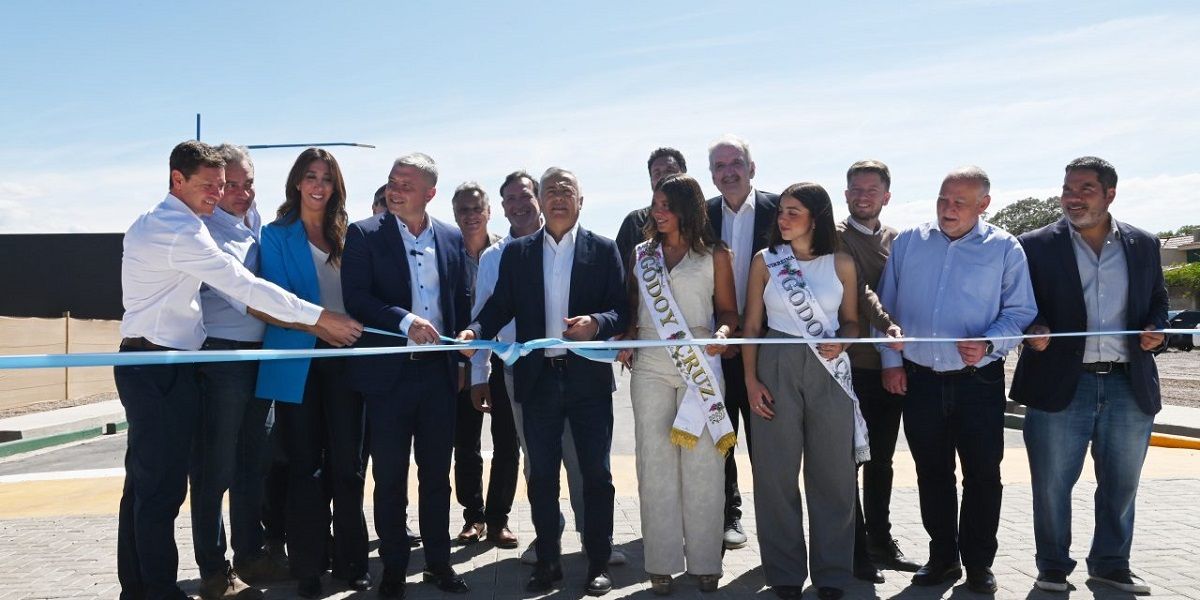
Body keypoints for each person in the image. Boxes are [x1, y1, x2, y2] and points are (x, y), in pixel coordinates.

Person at [114, 140, 361, 600]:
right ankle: (157, 588)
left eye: (227, 185)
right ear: (177, 181)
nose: (219, 193)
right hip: (158, 364)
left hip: (173, 362)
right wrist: (320, 318)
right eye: (211, 185)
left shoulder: (192, 222)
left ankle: (142, 586)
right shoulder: (181, 231)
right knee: (163, 488)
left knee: (152, 486)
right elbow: (244, 287)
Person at [459, 167, 630, 596]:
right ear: (542, 199)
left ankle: (596, 561)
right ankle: (549, 562)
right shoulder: (518, 254)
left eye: (565, 189)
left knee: (595, 474)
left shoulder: (604, 249)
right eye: (551, 189)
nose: (558, 196)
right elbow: (498, 307)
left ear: (580, 200)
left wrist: (596, 322)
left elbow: (621, 310)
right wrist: (474, 333)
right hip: (536, 382)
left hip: (587, 381)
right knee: (541, 478)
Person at [877, 166, 1037, 594]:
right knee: (932, 474)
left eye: (959, 202)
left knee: (983, 475)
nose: (948, 209)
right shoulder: (909, 242)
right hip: (919, 380)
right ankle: (942, 559)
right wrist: (890, 363)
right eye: (943, 199)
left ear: (984, 205)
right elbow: (884, 311)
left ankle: (979, 565)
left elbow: (1020, 312)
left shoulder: (1006, 248)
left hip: (978, 383)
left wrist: (990, 342)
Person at [1011, 157, 1168, 594]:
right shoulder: (1033, 245)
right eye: (1067, 188)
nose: (1072, 197)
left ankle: (1111, 565)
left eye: (1084, 188)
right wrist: (1032, 328)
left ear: (1109, 194)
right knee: (1052, 485)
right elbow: (1018, 304)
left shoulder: (1143, 243)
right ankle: (1053, 567)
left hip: (1128, 383)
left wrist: (1158, 333)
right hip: (1060, 382)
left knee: (1121, 484)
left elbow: (1157, 301)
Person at [341, 152, 473, 598]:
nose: (395, 189)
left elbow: (460, 300)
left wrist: (464, 344)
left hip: (437, 377)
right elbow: (356, 297)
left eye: (406, 184)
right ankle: (394, 570)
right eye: (392, 181)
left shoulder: (453, 239)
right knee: (391, 477)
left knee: (437, 475)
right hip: (388, 379)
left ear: (429, 193)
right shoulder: (363, 234)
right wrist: (404, 322)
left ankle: (439, 564)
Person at [253, 148, 370, 599]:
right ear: (297, 183)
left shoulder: (351, 235)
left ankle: (352, 562)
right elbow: (276, 302)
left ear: (336, 187)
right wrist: (324, 324)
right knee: (304, 468)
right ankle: (308, 566)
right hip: (298, 362)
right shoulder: (276, 235)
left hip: (347, 360)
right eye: (310, 176)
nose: (318, 185)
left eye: (326, 178)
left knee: (349, 466)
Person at [616, 173, 738, 595]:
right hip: (650, 363)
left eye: (667, 204)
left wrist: (723, 334)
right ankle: (661, 564)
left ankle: (706, 562)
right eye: (655, 203)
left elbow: (728, 311)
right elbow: (632, 306)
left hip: (699, 365)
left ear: (689, 207)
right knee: (654, 464)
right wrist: (628, 333)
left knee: (704, 463)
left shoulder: (716, 254)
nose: (658, 211)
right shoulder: (641, 254)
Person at [741, 183, 863, 600]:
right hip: (774, 367)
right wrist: (751, 381)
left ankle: (831, 574)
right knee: (775, 476)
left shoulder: (842, 263)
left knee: (833, 475)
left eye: (793, 212)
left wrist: (844, 341)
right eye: (781, 212)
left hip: (829, 370)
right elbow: (751, 327)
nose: (783, 219)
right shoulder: (766, 262)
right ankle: (785, 574)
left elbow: (851, 322)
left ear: (817, 216)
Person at [187, 144, 282, 600]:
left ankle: (250, 553)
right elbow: (247, 295)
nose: (242, 193)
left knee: (252, 463)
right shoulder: (203, 232)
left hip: (259, 357)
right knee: (215, 467)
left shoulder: (254, 222)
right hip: (221, 357)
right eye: (232, 186)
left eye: (249, 184)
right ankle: (213, 567)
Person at [834, 160, 919, 583]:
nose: (862, 196)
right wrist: (888, 325)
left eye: (872, 190)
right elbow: (861, 290)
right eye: (855, 189)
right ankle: (853, 548)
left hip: (888, 368)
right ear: (845, 193)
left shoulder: (900, 241)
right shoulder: (834, 237)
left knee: (881, 461)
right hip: (847, 368)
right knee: (848, 461)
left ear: (887, 196)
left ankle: (880, 540)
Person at [704, 134, 778, 550]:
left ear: (752, 168)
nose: (728, 172)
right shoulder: (701, 216)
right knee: (723, 436)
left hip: (769, 347)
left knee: (768, 443)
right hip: (718, 347)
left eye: (735, 163)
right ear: (711, 175)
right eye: (719, 166)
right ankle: (729, 515)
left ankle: (776, 529)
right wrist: (722, 332)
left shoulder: (780, 208)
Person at [450, 181, 520, 548]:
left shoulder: (505, 252)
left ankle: (498, 519)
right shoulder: (447, 253)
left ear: (489, 211)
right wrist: (464, 365)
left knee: (507, 444)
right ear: (454, 213)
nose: (470, 215)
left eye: (477, 208)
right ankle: (473, 516)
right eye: (463, 209)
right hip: (461, 364)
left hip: (502, 361)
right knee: (466, 445)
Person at [614, 147, 688, 270]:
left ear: (684, 174)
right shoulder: (634, 222)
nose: (663, 177)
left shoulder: (703, 216)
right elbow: (618, 274)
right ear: (651, 182)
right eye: (657, 173)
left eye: (670, 170)